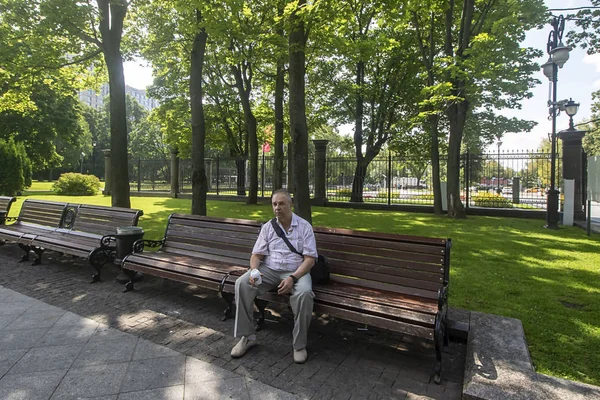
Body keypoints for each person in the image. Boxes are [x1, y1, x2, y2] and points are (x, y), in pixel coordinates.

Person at [231, 189, 317, 364]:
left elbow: (310, 260)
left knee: (304, 294)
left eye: (281, 203)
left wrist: (293, 278)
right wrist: (254, 271)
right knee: (242, 284)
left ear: (290, 204)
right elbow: (256, 256)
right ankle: (247, 337)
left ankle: (299, 345)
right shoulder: (268, 227)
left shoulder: (304, 227)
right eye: (274, 204)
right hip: (270, 270)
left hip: (297, 271)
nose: (277, 207)